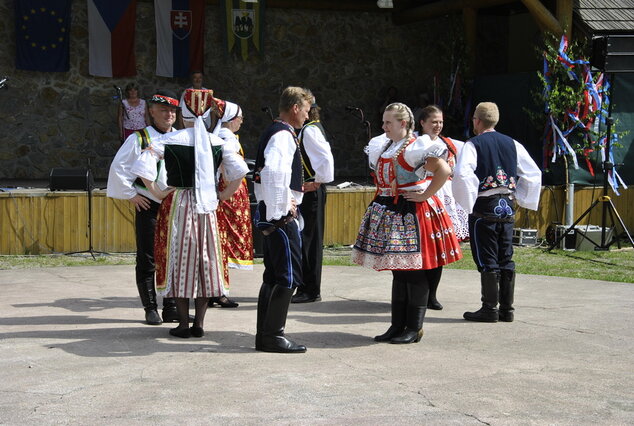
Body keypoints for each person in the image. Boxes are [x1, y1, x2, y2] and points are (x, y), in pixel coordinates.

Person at [131, 90, 248, 338]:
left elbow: (142, 165)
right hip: (207, 207)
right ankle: (200, 324)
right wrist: (223, 196)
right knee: (206, 262)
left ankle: (184, 324)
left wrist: (157, 192)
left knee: (181, 261)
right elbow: (239, 172)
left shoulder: (171, 140)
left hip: (178, 205)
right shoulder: (217, 142)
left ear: (183, 115)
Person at [351, 102, 462, 344]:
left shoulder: (414, 148)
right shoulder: (386, 146)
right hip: (393, 211)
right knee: (399, 273)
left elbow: (443, 169)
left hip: (413, 213)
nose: (383, 126)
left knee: (414, 272)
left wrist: (424, 194)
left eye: (388, 122)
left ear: (403, 124)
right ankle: (397, 325)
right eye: (383, 122)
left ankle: (414, 328)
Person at [453, 102, 541, 323]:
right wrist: (519, 197)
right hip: (507, 207)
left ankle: (489, 309)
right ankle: (507, 310)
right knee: (506, 257)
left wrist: (468, 201)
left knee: (487, 258)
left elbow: (462, 174)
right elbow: (533, 174)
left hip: (484, 207)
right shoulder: (513, 144)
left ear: (477, 120)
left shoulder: (473, 144)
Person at [107, 89, 181, 325]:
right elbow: (119, 168)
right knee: (148, 256)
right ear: (151, 112)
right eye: (163, 110)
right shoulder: (139, 138)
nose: (168, 114)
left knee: (174, 257)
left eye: (172, 110)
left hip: (175, 206)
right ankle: (150, 307)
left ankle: (171, 307)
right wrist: (131, 195)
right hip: (148, 204)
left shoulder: (181, 137)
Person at [253, 86, 312, 353]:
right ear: (296, 108)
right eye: (306, 111)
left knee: (274, 275)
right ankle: (273, 335)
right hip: (278, 217)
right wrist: (282, 209)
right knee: (288, 276)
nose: (307, 117)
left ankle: (265, 334)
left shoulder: (277, 131)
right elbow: (273, 171)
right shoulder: (283, 135)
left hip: (271, 212)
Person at [416, 105, 470, 310]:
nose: (438, 125)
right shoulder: (414, 144)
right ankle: (416, 293)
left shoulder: (449, 143)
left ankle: (432, 295)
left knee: (438, 247)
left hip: (443, 197)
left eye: (440, 122)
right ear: (422, 123)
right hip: (422, 193)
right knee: (419, 246)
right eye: (433, 122)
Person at [292, 91, 335, 304]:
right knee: (306, 238)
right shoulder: (309, 129)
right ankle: (306, 286)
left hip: (312, 190)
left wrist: (318, 180)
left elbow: (326, 158)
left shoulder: (310, 131)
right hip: (308, 189)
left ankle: (310, 289)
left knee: (310, 240)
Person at [212, 101, 253, 308]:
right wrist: (227, 193)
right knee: (223, 243)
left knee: (221, 244)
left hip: (230, 195)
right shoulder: (226, 138)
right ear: (231, 119)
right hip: (228, 197)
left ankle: (216, 290)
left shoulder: (224, 136)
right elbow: (237, 169)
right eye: (240, 117)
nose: (242, 121)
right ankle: (219, 291)